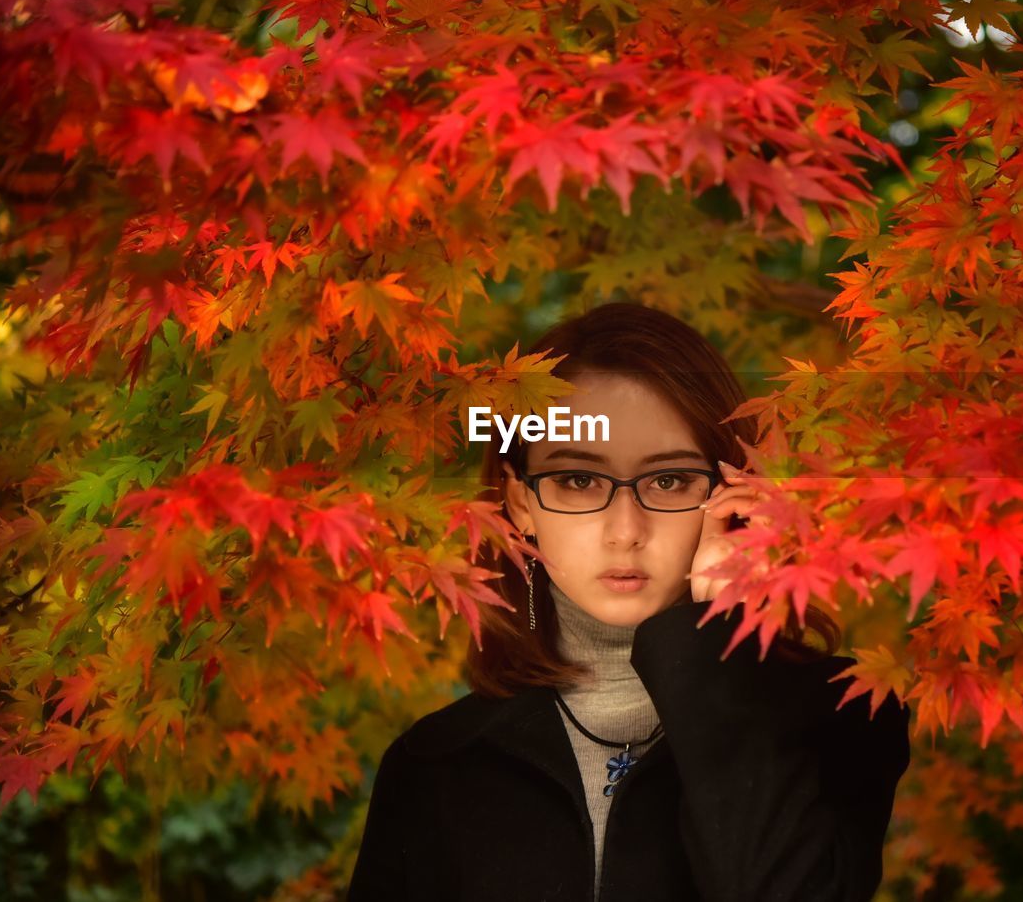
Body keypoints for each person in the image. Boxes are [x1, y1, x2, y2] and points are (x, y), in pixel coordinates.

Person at [347, 302, 911, 902]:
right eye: (579, 480)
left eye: (668, 481)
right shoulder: (436, 761)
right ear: (520, 505)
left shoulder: (842, 717)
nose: (624, 529)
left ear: (736, 497)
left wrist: (714, 632)